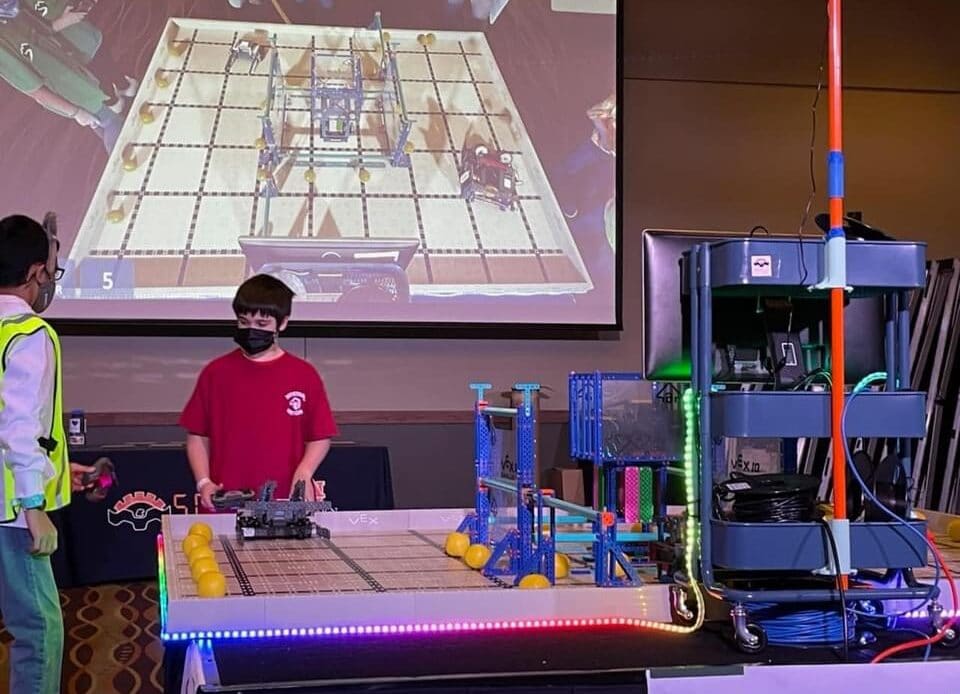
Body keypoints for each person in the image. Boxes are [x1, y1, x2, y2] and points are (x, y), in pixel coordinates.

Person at [0, 212, 97, 694]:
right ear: (36, 272)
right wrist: (34, 504)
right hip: (12, 512)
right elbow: (19, 425)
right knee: (39, 631)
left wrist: (57, 470)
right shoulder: (29, 332)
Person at [180, 274, 338, 511]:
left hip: (285, 501)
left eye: (262, 324)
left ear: (282, 323)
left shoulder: (304, 374)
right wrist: (204, 482)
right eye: (244, 322)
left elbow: (320, 436)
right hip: (226, 500)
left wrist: (305, 471)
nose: (251, 330)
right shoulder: (216, 372)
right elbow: (197, 435)